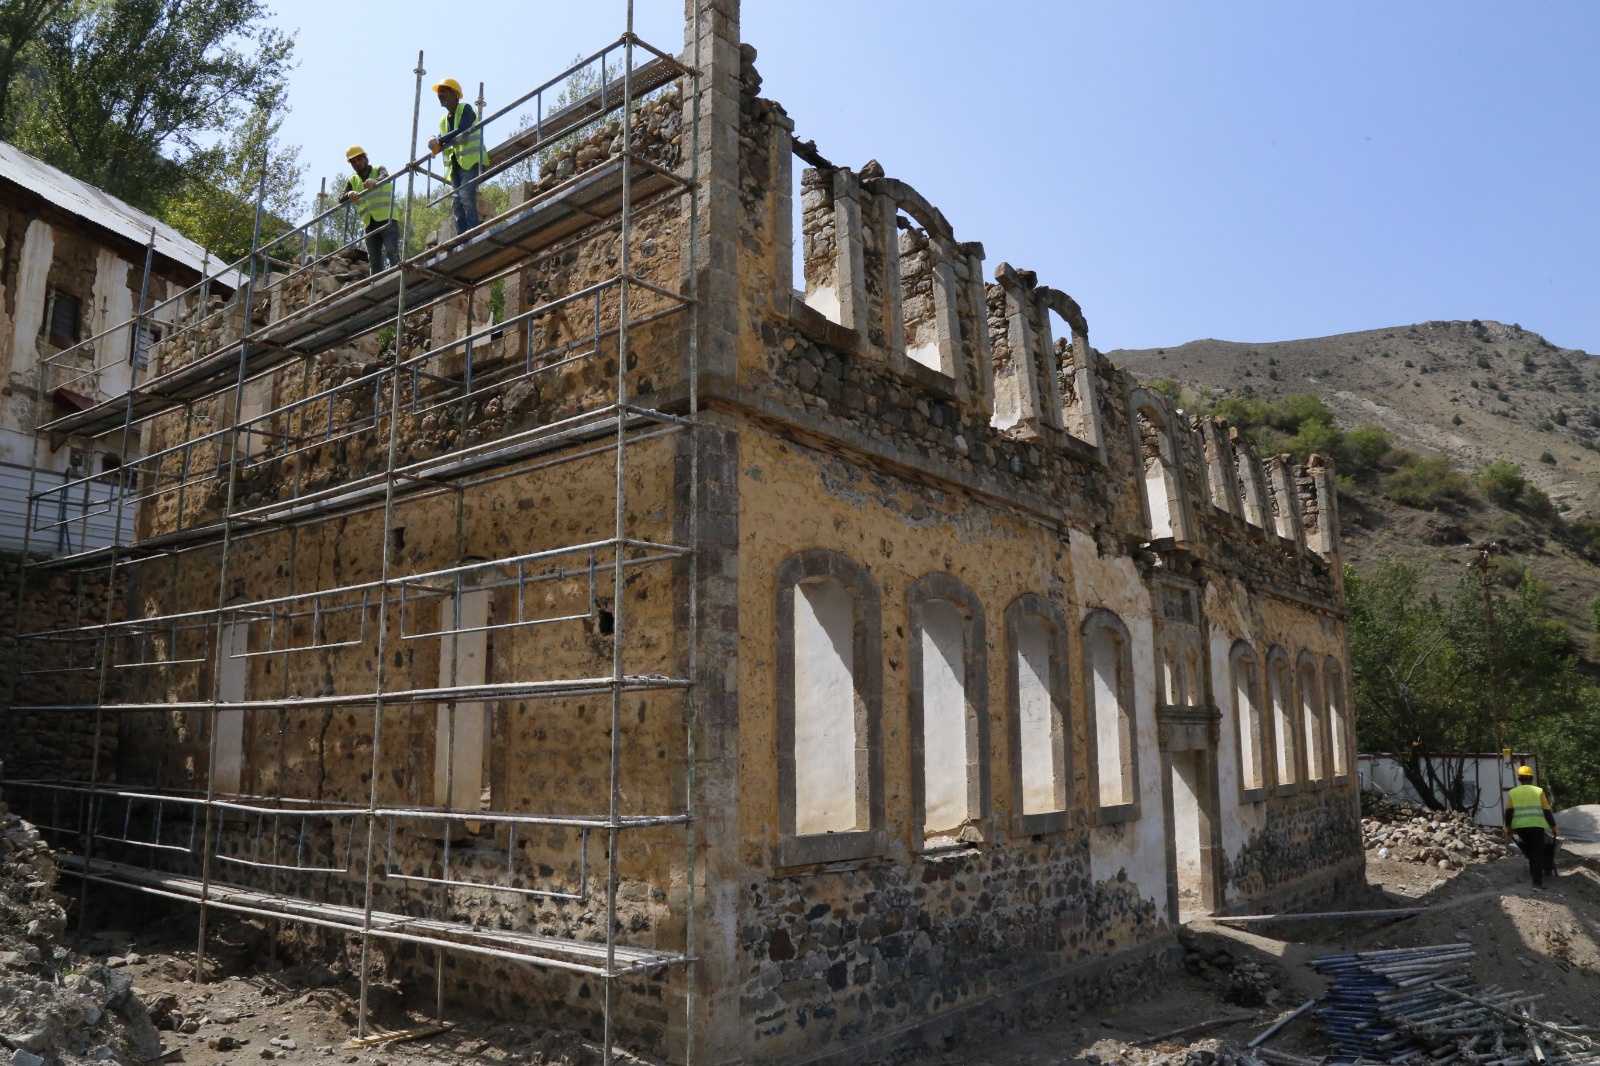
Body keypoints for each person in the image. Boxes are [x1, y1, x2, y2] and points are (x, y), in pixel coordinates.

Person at [427, 78, 488, 236]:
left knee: (466, 195)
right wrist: (434, 140)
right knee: (456, 202)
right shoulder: (444, 120)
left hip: (472, 161)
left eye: (443, 91)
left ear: (454, 94)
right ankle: (462, 235)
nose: (440, 95)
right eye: (438, 93)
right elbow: (442, 137)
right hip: (455, 165)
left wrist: (439, 140)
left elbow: (462, 128)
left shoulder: (466, 109)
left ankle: (473, 231)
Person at [339, 146, 399, 275]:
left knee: (391, 251)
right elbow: (341, 198)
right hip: (369, 224)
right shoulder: (352, 180)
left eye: (359, 159)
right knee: (374, 260)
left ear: (366, 158)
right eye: (353, 162)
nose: (357, 163)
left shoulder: (378, 169)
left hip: (387, 218)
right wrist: (348, 194)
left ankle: (398, 277)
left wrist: (376, 181)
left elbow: (385, 177)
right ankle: (377, 284)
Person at [1504, 764, 1558, 888]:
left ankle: (1534, 876)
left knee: (1530, 853)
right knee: (1537, 853)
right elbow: (1546, 811)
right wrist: (1554, 827)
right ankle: (1537, 883)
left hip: (1520, 828)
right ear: (1531, 778)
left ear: (1519, 779)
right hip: (1536, 827)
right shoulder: (1538, 791)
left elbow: (1509, 812)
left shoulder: (1513, 792)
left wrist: (1508, 828)